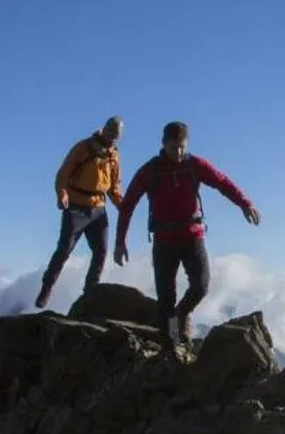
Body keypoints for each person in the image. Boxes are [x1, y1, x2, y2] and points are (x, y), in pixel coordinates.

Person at [114, 120, 260, 354]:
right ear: (163, 144)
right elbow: (128, 203)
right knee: (165, 298)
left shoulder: (195, 165)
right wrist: (120, 242)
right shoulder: (151, 170)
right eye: (173, 147)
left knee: (201, 286)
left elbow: (222, 182)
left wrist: (245, 203)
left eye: (182, 147)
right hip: (164, 240)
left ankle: (183, 314)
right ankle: (172, 346)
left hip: (192, 236)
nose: (178, 153)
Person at [36, 116, 125, 309]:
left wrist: (123, 206)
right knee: (64, 249)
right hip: (76, 206)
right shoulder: (84, 147)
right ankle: (47, 287)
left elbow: (114, 188)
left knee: (100, 251)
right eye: (111, 133)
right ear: (104, 129)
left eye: (117, 136)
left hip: (99, 209)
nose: (113, 139)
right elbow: (63, 174)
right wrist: (62, 194)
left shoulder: (114, 156)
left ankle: (89, 294)